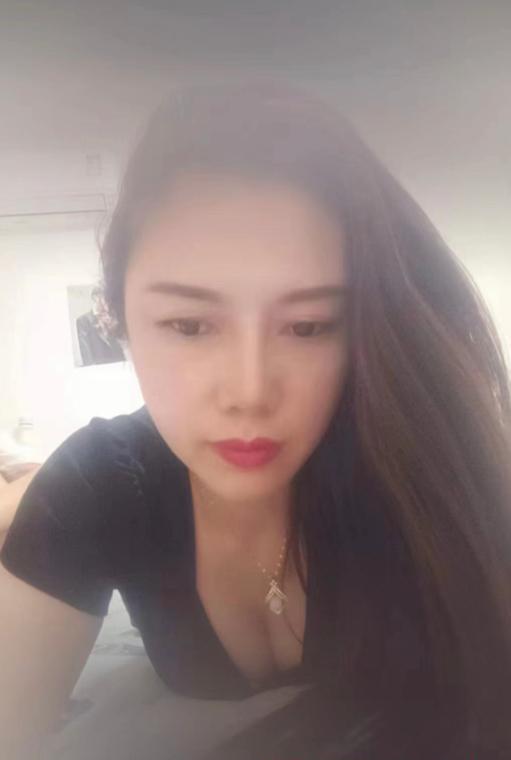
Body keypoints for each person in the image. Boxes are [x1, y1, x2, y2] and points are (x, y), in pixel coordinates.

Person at [1, 79, 511, 760]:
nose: (249, 392)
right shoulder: (96, 485)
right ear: (120, 319)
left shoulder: (408, 461)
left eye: (308, 326)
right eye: (189, 325)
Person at [76, 286, 125, 366]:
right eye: (106, 298)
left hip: (119, 366)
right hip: (99, 369)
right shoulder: (83, 321)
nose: (109, 302)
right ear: (95, 298)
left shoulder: (114, 317)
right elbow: (86, 354)